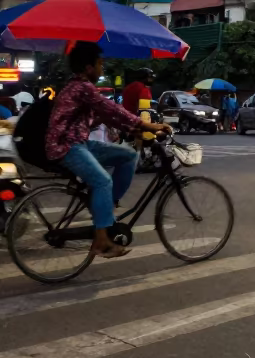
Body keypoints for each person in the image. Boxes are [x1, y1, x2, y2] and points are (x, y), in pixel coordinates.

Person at [45, 42, 170, 259]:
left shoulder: (77, 87)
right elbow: (111, 108)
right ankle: (101, 240)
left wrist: (133, 129)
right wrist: (148, 126)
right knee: (103, 181)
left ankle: (105, 209)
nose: (102, 69)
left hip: (79, 142)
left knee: (129, 155)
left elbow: (104, 116)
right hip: (66, 146)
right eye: (100, 64)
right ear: (87, 67)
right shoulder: (82, 87)